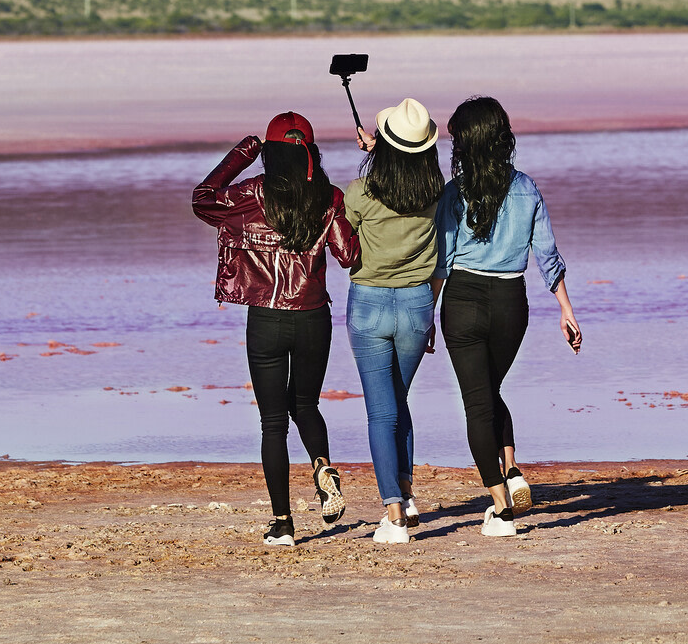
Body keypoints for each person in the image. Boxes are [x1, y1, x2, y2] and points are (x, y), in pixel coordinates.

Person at [192, 112, 360, 547]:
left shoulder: (251, 193)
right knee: (305, 404)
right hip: (313, 317)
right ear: (310, 153)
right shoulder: (329, 196)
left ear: (270, 154)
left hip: (266, 319)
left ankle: (283, 523)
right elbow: (348, 254)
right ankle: (322, 464)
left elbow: (203, 198)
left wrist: (243, 152)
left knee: (272, 424)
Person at [434, 95, 581, 538]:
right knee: (490, 391)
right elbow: (547, 255)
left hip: (462, 298)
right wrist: (566, 310)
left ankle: (500, 508)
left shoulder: (455, 193)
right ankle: (512, 470)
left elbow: (441, 261)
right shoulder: (527, 187)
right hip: (511, 304)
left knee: (478, 403)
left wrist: (425, 315)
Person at [340, 97, 443, 545]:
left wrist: (373, 158)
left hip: (368, 304)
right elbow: (442, 260)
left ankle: (395, 514)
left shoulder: (359, 193)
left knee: (381, 410)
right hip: (418, 304)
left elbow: (344, 242)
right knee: (398, 401)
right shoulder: (437, 191)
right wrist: (380, 154)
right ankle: (406, 492)